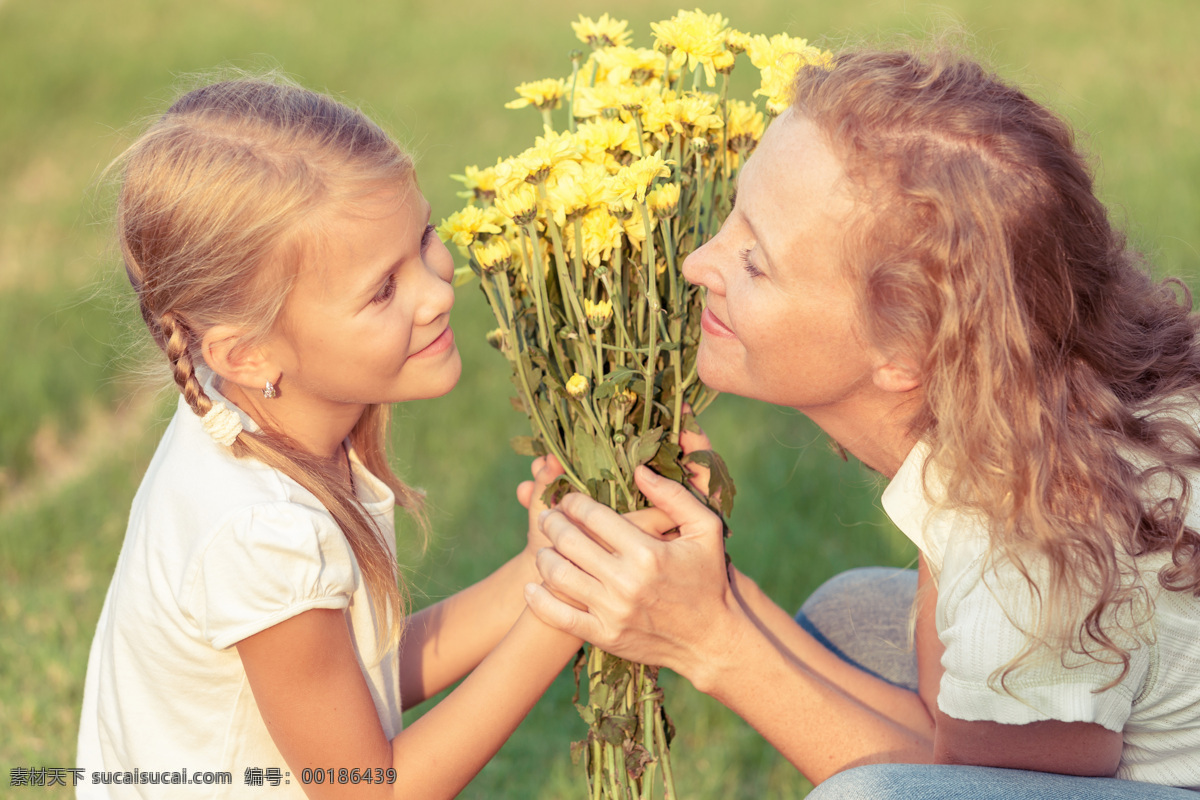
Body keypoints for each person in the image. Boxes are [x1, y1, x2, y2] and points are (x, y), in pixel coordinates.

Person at [524, 45, 1200, 798]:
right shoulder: (1015, 420)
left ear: (906, 351)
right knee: (846, 619)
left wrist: (711, 641)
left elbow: (959, 790)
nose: (696, 263)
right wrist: (715, 595)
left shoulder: (1034, 551)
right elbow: (956, 755)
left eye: (756, 262)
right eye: (731, 222)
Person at [76, 74, 573, 799]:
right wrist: (569, 617)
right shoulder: (258, 533)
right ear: (247, 353)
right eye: (383, 289)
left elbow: (352, 676)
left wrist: (542, 573)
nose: (439, 291)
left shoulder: (251, 411)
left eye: (425, 236)